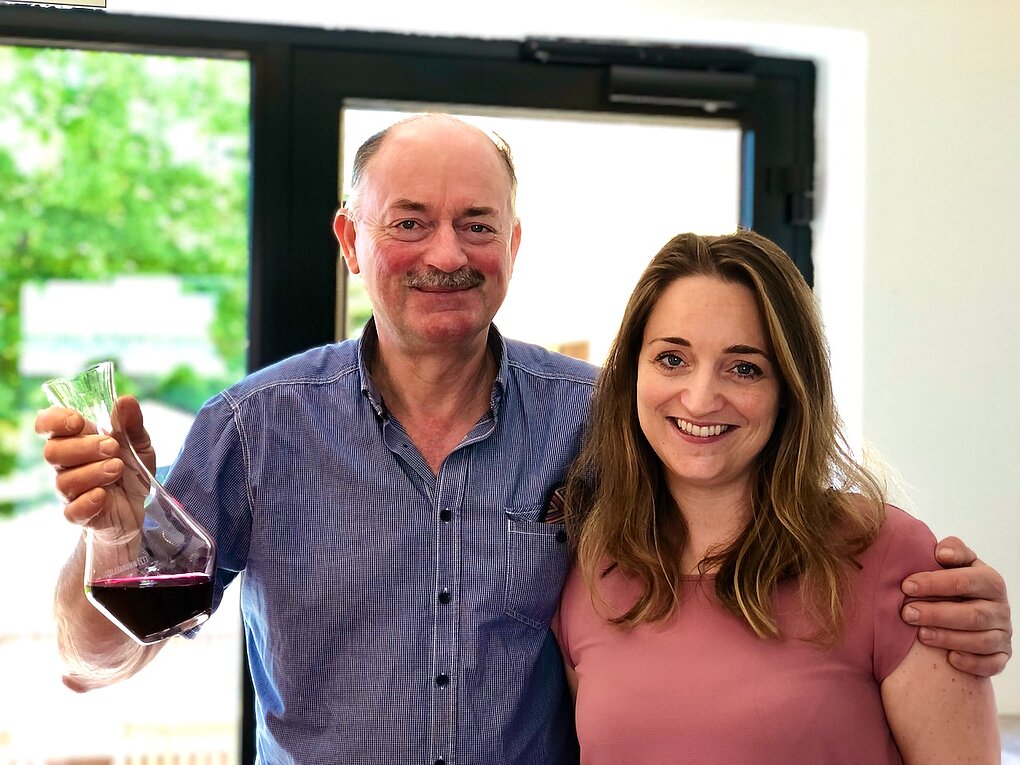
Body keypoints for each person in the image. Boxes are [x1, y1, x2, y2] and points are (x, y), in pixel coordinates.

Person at [35, 116, 1010, 763]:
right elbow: (102, 660)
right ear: (350, 240)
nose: (447, 254)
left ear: (513, 242)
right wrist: (116, 540)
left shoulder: (604, 422)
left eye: (477, 224)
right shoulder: (255, 430)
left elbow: (761, 494)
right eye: (409, 223)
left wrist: (939, 587)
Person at [553, 230, 1000, 763]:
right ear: (631, 373)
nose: (699, 399)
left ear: (790, 389)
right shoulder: (592, 565)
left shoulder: (886, 556)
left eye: (744, 368)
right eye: (672, 359)